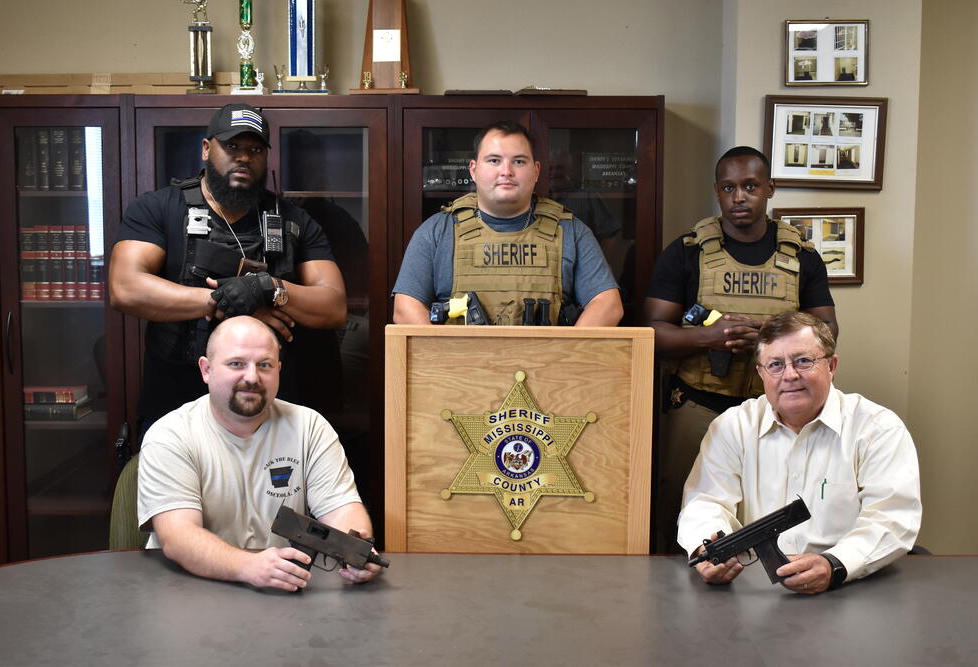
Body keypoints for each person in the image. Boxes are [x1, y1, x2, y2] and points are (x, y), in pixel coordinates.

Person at [110, 103, 346, 437]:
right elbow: (125, 288)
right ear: (207, 149)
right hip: (174, 406)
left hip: (271, 415)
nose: (244, 158)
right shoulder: (159, 209)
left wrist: (266, 288)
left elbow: (333, 305)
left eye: (254, 149)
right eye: (232, 146)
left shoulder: (294, 220)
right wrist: (223, 301)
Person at [645, 146, 838, 553]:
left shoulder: (801, 256)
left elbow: (828, 332)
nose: (739, 197)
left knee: (778, 508)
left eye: (750, 186)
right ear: (717, 191)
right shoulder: (687, 251)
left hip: (779, 410)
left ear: (770, 188)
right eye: (729, 187)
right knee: (681, 511)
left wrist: (770, 339)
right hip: (698, 404)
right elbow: (651, 331)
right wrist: (710, 337)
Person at [679, 311, 921, 594]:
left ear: (831, 365)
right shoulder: (732, 427)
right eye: (776, 365)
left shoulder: (878, 428)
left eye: (804, 361)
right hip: (753, 593)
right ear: (761, 373)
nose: (790, 375)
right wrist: (707, 546)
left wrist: (834, 564)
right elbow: (705, 502)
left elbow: (892, 518)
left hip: (848, 586)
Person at [137, 316, 380, 591]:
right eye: (236, 364)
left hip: (280, 588)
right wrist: (248, 566)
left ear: (278, 369)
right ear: (206, 370)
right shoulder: (170, 434)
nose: (252, 377)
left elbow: (342, 508)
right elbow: (179, 536)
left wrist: (357, 549)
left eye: (264, 365)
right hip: (187, 590)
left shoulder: (310, 426)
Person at [392, 120, 623, 326]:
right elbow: (405, 309)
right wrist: (448, 361)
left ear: (536, 170)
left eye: (519, 161)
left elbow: (608, 305)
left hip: (547, 367)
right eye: (494, 160)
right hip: (460, 370)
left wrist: (564, 356)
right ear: (473, 170)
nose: (506, 171)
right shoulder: (437, 231)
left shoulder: (571, 231)